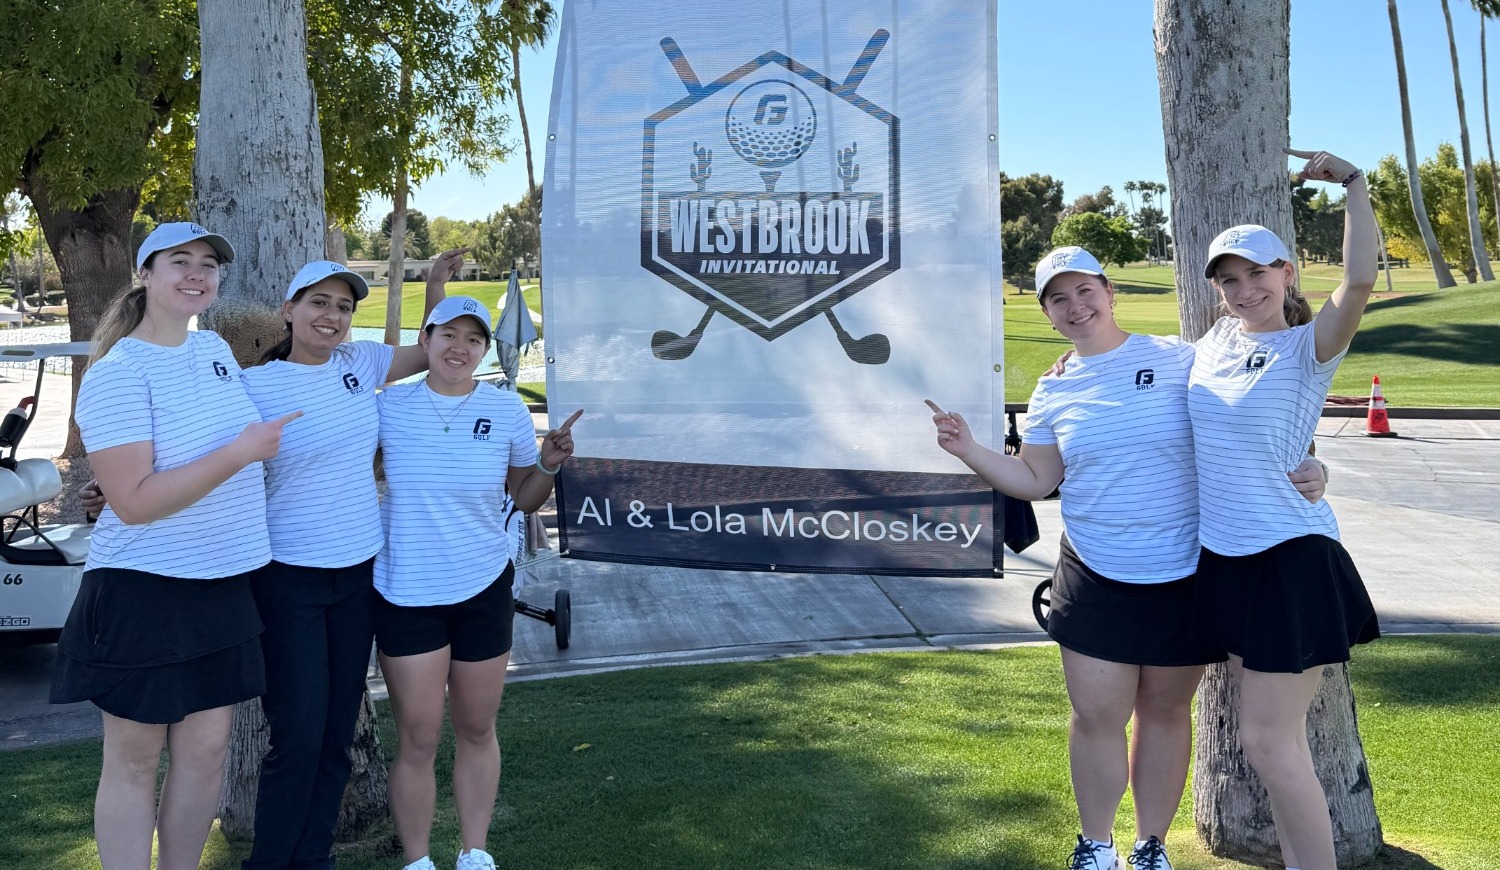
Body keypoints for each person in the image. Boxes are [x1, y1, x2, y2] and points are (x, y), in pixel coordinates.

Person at [926, 245, 1328, 870]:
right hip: (1095, 570)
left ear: (1109, 293)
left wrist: (1312, 464)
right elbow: (1035, 479)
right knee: (1095, 716)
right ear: (1049, 315)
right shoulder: (1054, 387)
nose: (1075, 305)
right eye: (1058, 298)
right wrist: (970, 450)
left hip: (1187, 572)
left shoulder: (1181, 358)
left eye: (1084, 290)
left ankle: (1150, 847)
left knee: (1165, 713)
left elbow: (1257, 409)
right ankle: (1096, 846)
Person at [50, 222, 299, 870]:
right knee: (133, 763)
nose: (197, 273)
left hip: (222, 585)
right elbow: (132, 503)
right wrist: (238, 453)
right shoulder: (117, 374)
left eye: (209, 264)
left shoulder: (214, 350)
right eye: (179, 261)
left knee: (208, 753)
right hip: (144, 591)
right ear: (145, 275)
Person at [235, 250, 462, 870]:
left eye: (343, 306)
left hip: (357, 575)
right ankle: (271, 861)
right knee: (298, 734)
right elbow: (207, 458)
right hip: (286, 580)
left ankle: (314, 859)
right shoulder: (253, 386)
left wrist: (437, 286)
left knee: (337, 734)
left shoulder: (361, 361)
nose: (332, 317)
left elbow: (436, 351)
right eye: (318, 303)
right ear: (289, 310)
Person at [1190, 148, 1380, 870]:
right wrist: (1073, 364)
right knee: (1262, 743)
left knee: (1272, 743)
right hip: (1226, 563)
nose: (1244, 290)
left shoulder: (1309, 347)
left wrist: (1354, 185)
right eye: (1230, 280)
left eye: (1258, 274)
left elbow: (1360, 279)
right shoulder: (1210, 347)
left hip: (1291, 560)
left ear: (1286, 275)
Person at [374, 295, 582, 870]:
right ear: (428, 338)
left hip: (483, 588)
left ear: (484, 349)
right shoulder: (389, 407)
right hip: (406, 590)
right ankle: (418, 861)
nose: (458, 348)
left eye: (473, 339)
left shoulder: (506, 407)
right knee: (417, 738)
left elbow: (522, 498)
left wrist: (548, 463)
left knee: (476, 726)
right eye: (448, 335)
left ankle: (474, 853)